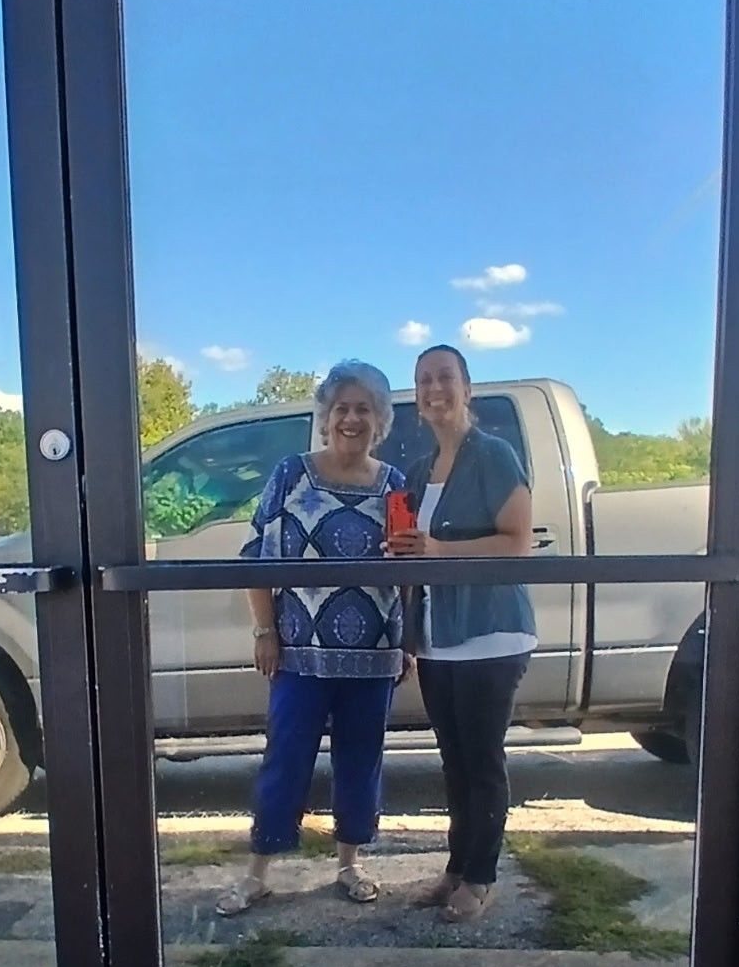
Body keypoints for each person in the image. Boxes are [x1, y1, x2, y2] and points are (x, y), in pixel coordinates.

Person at [216, 360, 408, 916]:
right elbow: (258, 558)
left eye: (364, 409)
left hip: (373, 658)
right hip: (299, 653)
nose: (352, 419)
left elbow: (408, 571)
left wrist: (409, 642)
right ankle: (258, 872)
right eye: (341, 409)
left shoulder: (396, 486)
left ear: (381, 421)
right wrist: (264, 630)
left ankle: (350, 864)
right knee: (286, 759)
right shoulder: (291, 474)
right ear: (325, 419)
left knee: (361, 760)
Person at [385, 343, 535, 923]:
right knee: (452, 761)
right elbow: (415, 556)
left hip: (491, 635)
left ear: (467, 389)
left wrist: (438, 548)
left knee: (481, 761)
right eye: (424, 380)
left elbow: (517, 542)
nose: (434, 389)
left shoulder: (494, 456)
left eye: (445, 377)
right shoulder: (420, 472)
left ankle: (481, 876)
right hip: (438, 638)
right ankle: (455, 869)